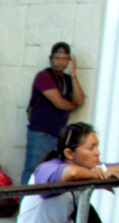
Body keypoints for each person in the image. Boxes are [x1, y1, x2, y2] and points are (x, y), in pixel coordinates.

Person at [23, 42, 86, 184]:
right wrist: (72, 104)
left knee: (52, 173)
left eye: (64, 59)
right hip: (40, 134)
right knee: (33, 171)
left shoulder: (67, 80)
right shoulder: (43, 76)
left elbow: (80, 100)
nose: (60, 62)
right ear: (50, 58)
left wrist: (74, 74)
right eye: (57, 58)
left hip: (58, 136)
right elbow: (61, 104)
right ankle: (24, 205)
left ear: (69, 60)